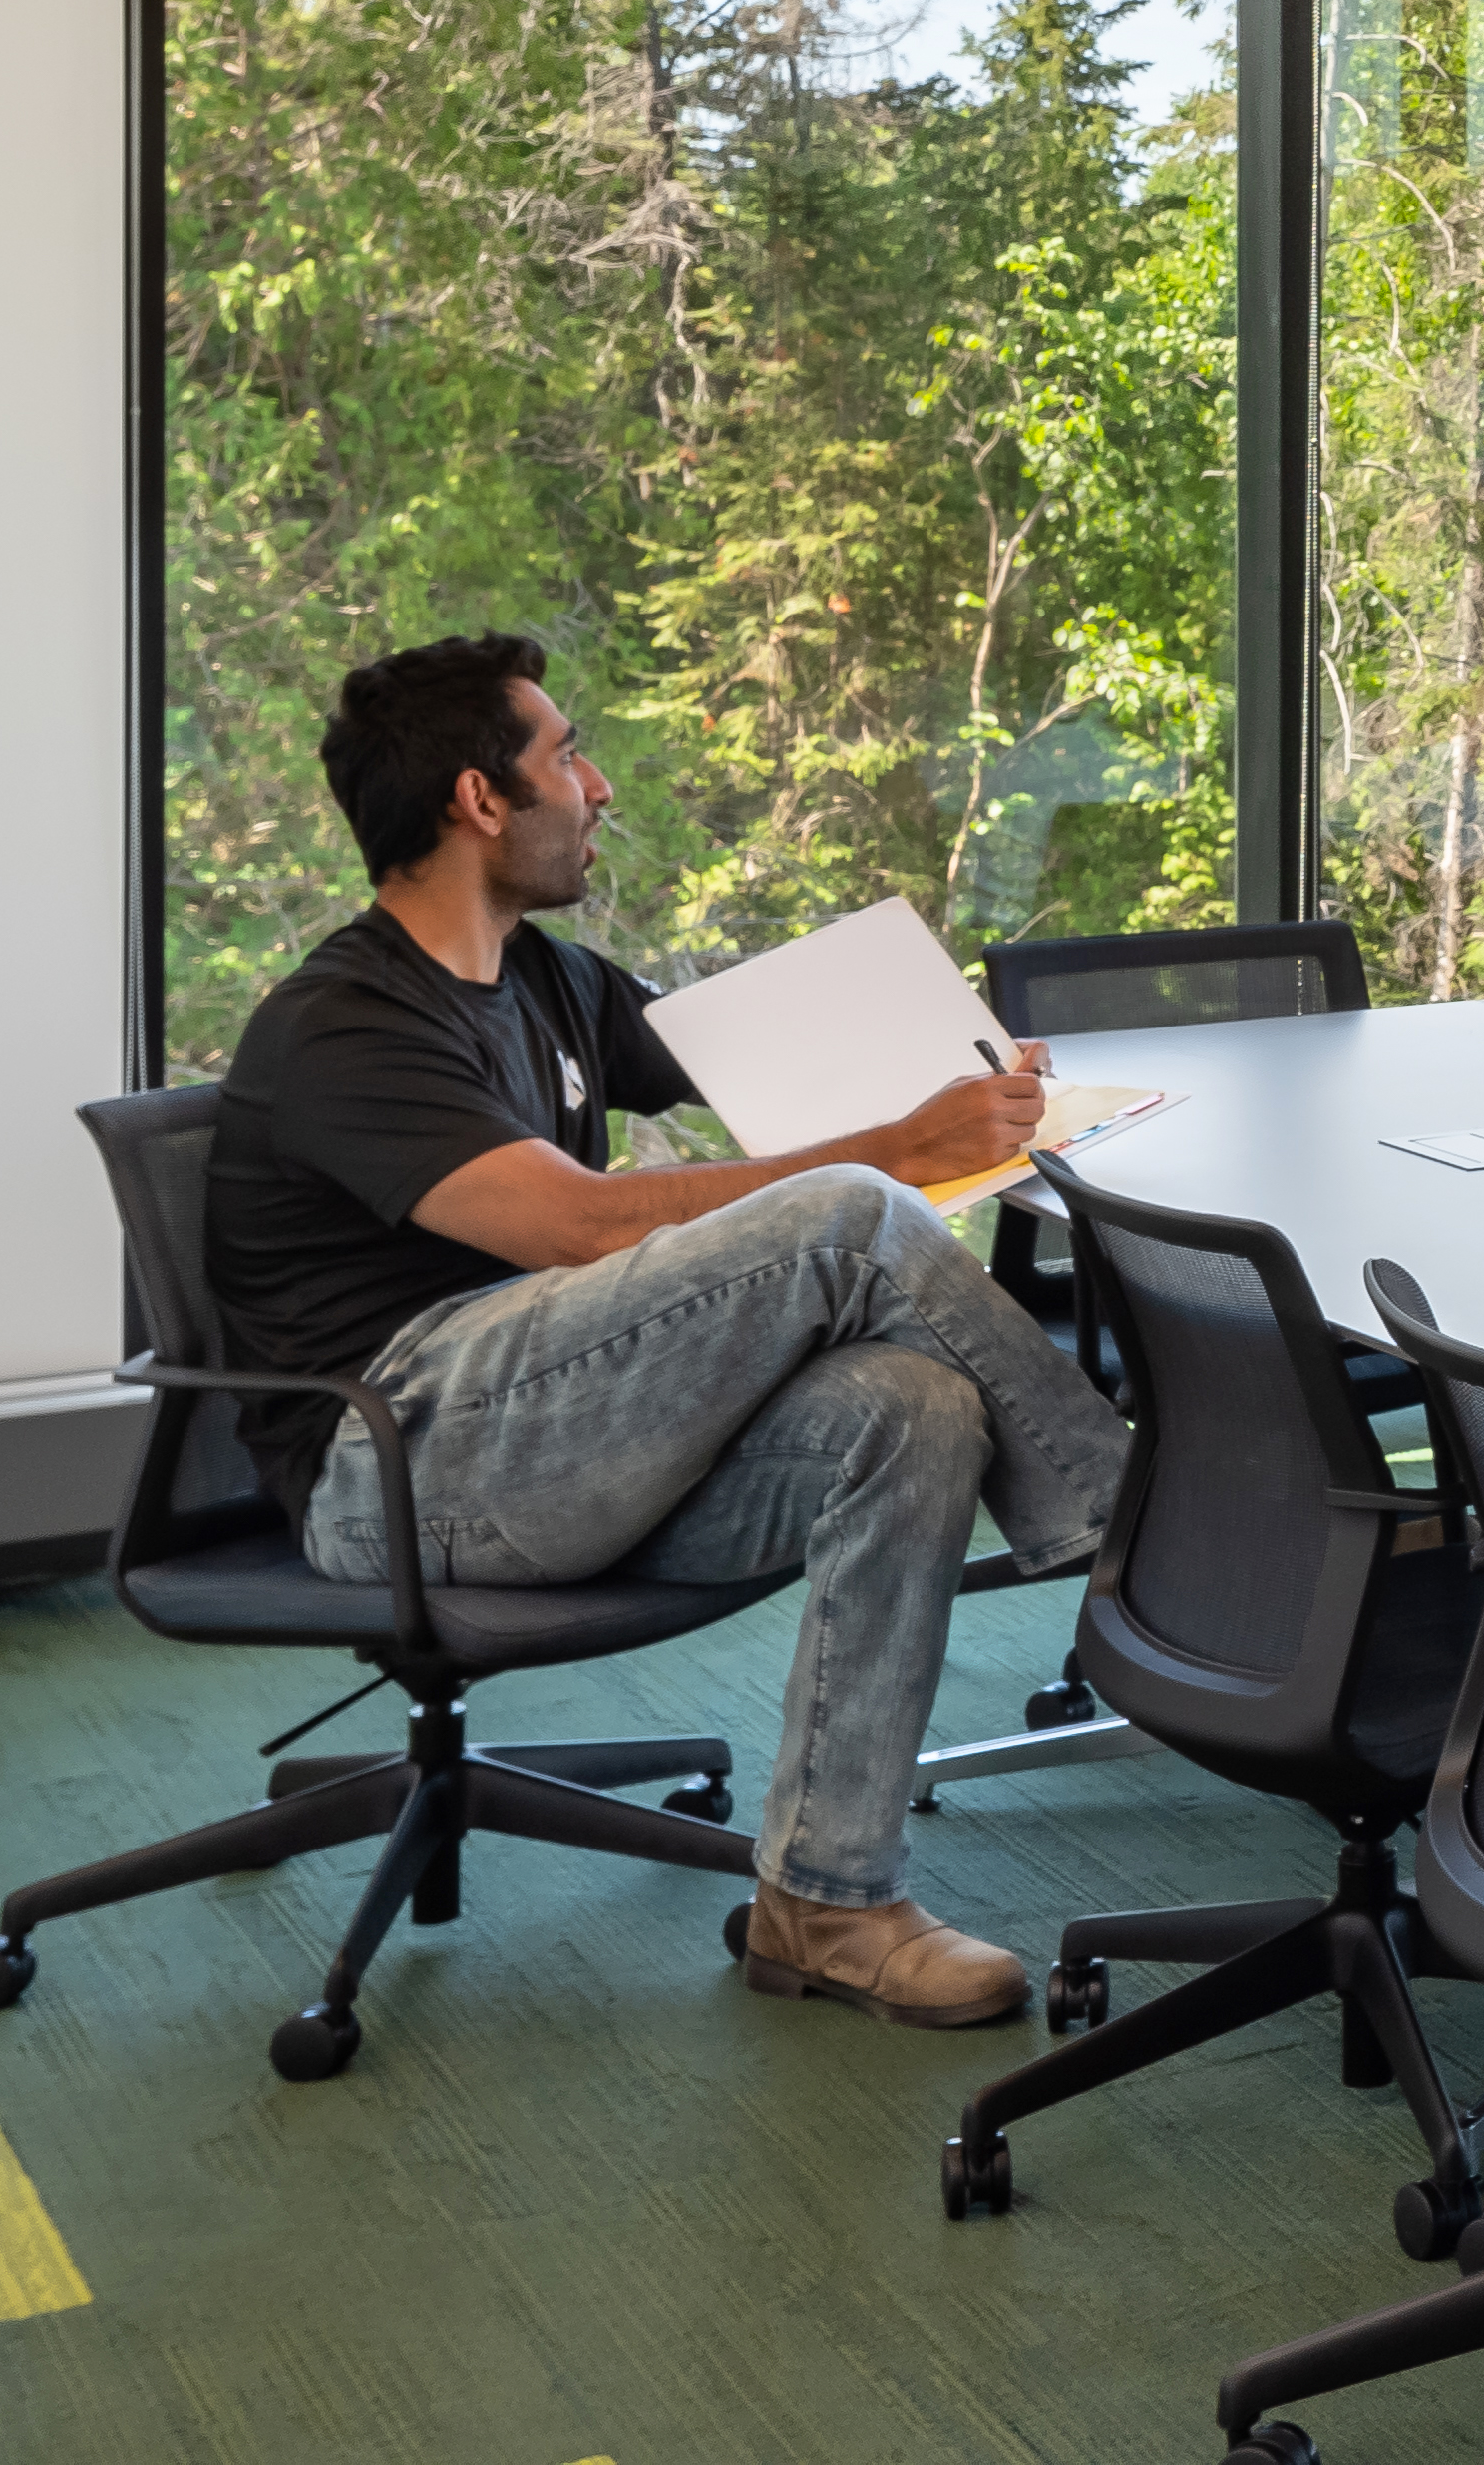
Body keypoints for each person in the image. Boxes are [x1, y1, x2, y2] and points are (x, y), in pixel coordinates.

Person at [202, 634, 1128, 2032]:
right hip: (400, 1468)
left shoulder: (554, 983)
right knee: (852, 1214)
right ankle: (1139, 1531)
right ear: (478, 800)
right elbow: (574, 1230)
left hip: (566, 1452)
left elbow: (785, 1086)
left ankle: (825, 1903)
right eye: (566, 755)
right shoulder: (343, 1025)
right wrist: (896, 1154)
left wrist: (969, 1087)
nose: (601, 785)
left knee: (908, 1409)